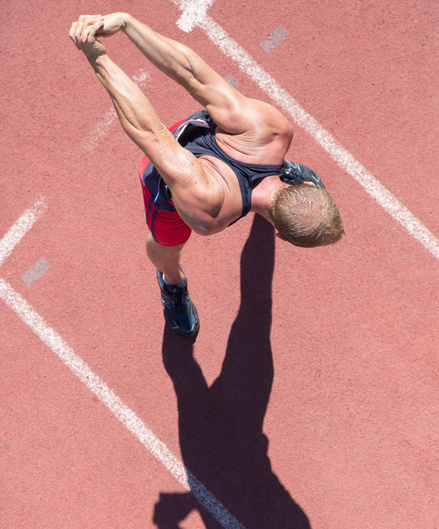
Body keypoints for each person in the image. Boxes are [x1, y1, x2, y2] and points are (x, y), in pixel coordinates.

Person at [69, 13, 344, 337]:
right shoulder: (210, 211)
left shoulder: (273, 131)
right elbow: (152, 135)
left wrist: (127, 24)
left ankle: (281, 173)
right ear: (280, 235)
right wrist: (97, 55)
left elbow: (193, 76)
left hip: (207, 157)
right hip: (169, 186)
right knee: (166, 246)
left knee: (244, 132)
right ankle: (172, 281)